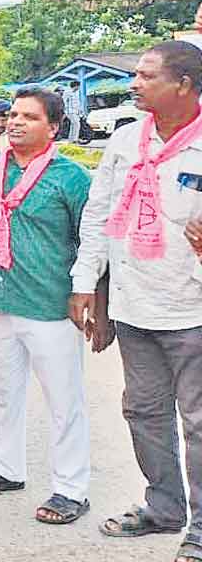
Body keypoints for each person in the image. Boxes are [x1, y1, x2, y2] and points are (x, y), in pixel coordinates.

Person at [73, 41, 202, 562]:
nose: (134, 82)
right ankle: (165, 507)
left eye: (146, 75)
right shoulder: (126, 141)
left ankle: (200, 531)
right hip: (133, 305)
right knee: (143, 412)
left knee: (198, 422)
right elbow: (99, 216)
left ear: (184, 87)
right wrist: (86, 283)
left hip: (192, 308)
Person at [0, 88, 93, 524]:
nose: (16, 122)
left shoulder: (70, 177)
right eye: (13, 114)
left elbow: (91, 239)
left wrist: (88, 293)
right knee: (3, 392)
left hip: (50, 303)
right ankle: (6, 468)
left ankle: (71, 489)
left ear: (53, 128)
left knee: (64, 401)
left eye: (30, 117)